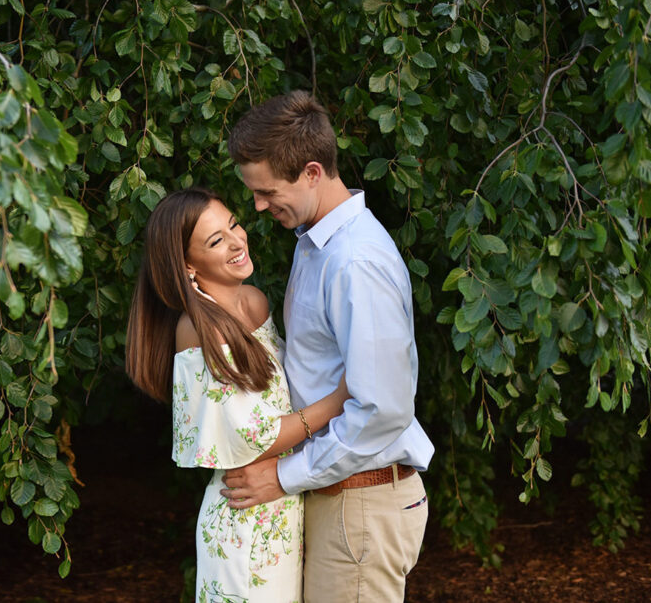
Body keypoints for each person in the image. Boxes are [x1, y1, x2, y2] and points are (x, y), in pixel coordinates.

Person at [221, 91, 435, 602]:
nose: (257, 205)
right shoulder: (318, 244)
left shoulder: (354, 262)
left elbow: (382, 409)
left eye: (267, 191)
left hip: (360, 505)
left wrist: (284, 476)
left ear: (312, 172)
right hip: (340, 499)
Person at [126, 187, 351, 602]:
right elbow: (252, 438)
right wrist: (341, 398)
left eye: (233, 225)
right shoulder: (198, 329)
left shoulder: (255, 301)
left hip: (286, 503)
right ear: (188, 266)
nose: (236, 241)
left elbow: (287, 393)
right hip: (245, 517)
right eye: (215, 241)